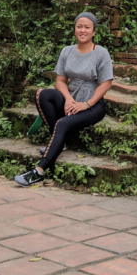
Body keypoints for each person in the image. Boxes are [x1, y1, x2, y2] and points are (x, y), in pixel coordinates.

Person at [14, 12, 113, 186]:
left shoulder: (101, 53)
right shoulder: (67, 51)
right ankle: (59, 142)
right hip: (72, 99)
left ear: (94, 31)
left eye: (87, 27)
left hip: (93, 104)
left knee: (62, 124)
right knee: (42, 94)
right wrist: (68, 99)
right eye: (79, 26)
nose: (83, 30)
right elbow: (60, 81)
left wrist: (85, 104)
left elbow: (106, 84)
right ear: (75, 29)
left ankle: (39, 171)